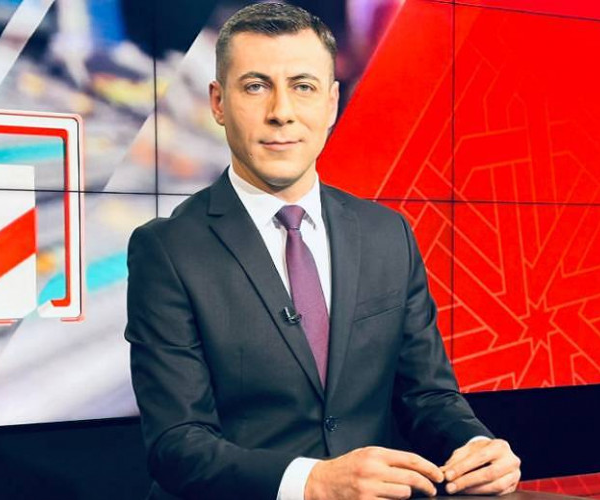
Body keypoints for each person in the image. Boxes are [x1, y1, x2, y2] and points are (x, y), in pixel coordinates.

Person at [125, 3, 521, 499]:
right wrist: (312, 482)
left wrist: (476, 446)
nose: (281, 112)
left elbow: (427, 396)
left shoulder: (387, 234)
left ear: (332, 103)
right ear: (219, 102)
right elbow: (178, 445)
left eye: (303, 87)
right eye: (256, 86)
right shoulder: (167, 250)